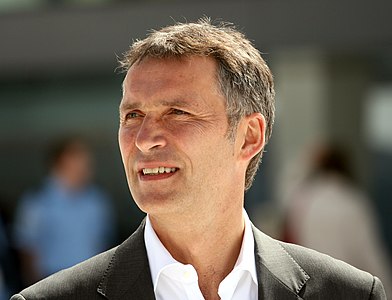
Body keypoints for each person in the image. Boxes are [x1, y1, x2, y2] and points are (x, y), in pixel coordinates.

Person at [11, 18, 386, 300]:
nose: (144, 139)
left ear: (248, 136)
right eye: (133, 116)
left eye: (177, 112)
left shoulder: (350, 293)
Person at [283, 144, 392, 297]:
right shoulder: (352, 201)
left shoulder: (301, 200)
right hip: (349, 288)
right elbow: (370, 254)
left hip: (310, 288)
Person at [12, 136, 114, 287]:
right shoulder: (36, 202)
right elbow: (27, 251)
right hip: (49, 284)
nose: (87, 167)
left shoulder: (97, 201)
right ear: (61, 162)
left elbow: (104, 246)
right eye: (79, 160)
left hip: (90, 284)